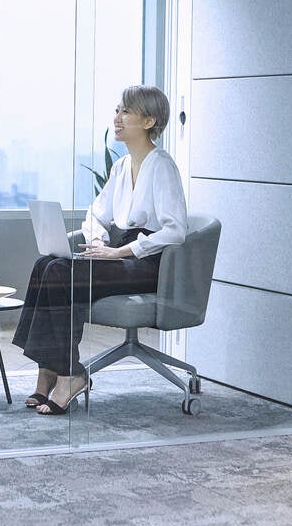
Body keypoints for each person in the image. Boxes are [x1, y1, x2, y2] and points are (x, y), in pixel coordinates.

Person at [12, 85, 188, 415]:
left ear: (149, 121)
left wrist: (121, 253)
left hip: (145, 262)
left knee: (61, 273)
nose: (117, 118)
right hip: (117, 254)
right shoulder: (121, 167)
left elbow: (176, 230)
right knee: (45, 265)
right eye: (117, 110)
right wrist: (97, 242)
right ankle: (50, 368)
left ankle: (69, 374)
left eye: (126, 112)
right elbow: (96, 213)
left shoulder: (162, 166)